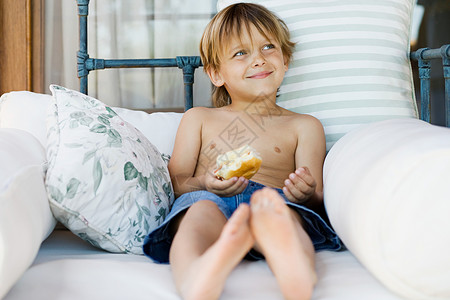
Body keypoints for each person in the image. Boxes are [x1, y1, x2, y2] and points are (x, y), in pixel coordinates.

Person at [143, 3, 342, 300]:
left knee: (280, 215)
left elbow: (317, 198)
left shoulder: (304, 126)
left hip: (273, 200)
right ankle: (196, 275)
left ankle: (296, 269)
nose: (259, 60)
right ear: (215, 74)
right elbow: (177, 182)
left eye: (268, 47)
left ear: (285, 60)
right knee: (196, 214)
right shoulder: (199, 118)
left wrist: (306, 192)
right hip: (210, 199)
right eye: (241, 53)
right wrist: (205, 184)